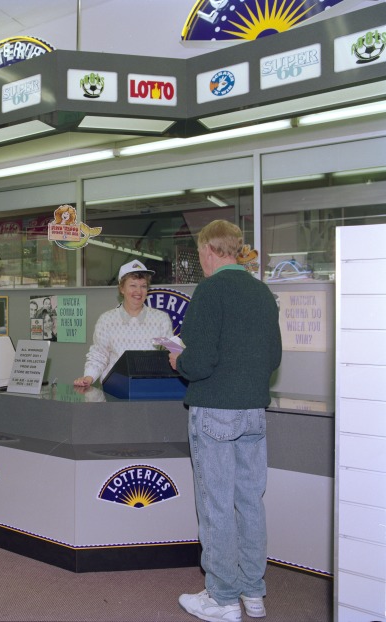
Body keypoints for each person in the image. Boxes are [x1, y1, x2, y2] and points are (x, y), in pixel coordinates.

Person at [168, 220, 281, 622]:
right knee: (250, 502)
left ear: (210, 250)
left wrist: (179, 360)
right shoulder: (262, 292)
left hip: (215, 410)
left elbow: (199, 362)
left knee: (216, 504)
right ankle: (253, 592)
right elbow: (273, 358)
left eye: (200, 253)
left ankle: (222, 597)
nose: (201, 261)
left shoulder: (210, 290)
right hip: (253, 412)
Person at [74, 259, 172, 387]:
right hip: (115, 390)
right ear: (122, 288)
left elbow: (171, 355)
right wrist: (88, 377)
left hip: (151, 389)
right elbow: (99, 355)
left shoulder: (161, 319)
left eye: (143, 286)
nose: (138, 291)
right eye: (133, 285)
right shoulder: (106, 320)